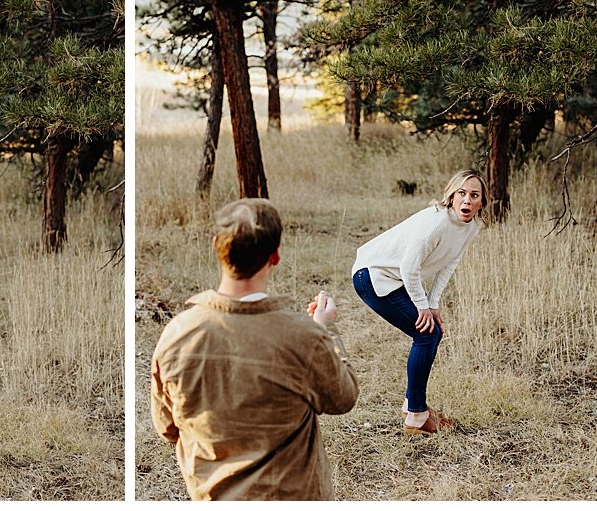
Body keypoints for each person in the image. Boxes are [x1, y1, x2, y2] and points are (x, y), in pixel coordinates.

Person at [152, 198, 358, 500]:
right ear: (274, 256)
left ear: (216, 246)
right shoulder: (303, 335)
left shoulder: (177, 335)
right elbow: (343, 398)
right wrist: (324, 328)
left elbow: (167, 428)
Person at [351, 169, 485, 436]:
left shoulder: (472, 227)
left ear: (482, 201)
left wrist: (432, 305)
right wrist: (422, 306)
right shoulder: (436, 223)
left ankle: (414, 405)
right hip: (372, 276)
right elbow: (408, 267)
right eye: (461, 193)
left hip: (394, 279)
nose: (467, 200)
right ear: (451, 196)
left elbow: (450, 263)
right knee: (426, 334)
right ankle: (415, 416)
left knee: (432, 333)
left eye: (474, 195)